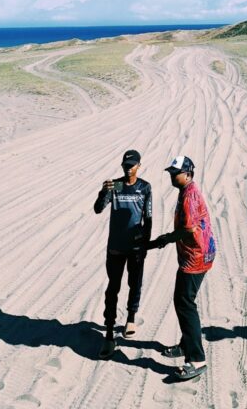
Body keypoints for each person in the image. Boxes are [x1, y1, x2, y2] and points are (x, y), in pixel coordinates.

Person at [147, 154, 216, 382]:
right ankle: (186, 345)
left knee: (185, 303)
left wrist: (166, 238)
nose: (172, 176)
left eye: (176, 173)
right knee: (184, 301)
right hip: (198, 253)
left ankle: (197, 359)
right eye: (171, 173)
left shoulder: (189, 195)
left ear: (187, 174)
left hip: (195, 257)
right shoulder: (186, 191)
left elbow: (188, 229)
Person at [93, 148, 152, 358]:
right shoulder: (115, 186)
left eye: (132, 165)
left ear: (139, 166)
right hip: (116, 248)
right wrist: (103, 192)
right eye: (126, 165)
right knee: (112, 289)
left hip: (135, 248)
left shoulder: (145, 187)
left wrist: (145, 244)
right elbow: (98, 209)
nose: (128, 169)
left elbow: (148, 218)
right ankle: (109, 333)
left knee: (135, 284)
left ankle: (131, 318)